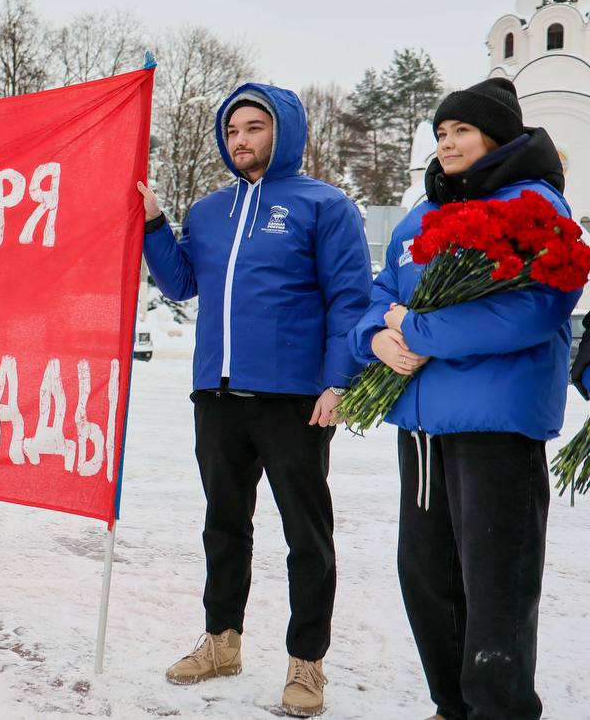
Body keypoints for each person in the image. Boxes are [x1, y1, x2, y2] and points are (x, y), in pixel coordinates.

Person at [138, 83, 371, 717]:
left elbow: (349, 300)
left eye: (254, 128)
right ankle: (221, 642)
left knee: (307, 532)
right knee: (223, 525)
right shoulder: (211, 211)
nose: (240, 140)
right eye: (233, 130)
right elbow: (182, 282)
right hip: (217, 395)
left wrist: (339, 380)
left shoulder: (325, 205)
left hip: (294, 399)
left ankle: (306, 662)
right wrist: (156, 221)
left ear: (284, 132)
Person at [349, 78, 577, 720]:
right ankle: (452, 707)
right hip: (420, 428)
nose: (447, 143)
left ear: (496, 137)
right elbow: (378, 293)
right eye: (441, 133)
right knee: (427, 581)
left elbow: (534, 310)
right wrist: (376, 341)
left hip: (494, 428)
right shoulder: (424, 214)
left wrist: (416, 331)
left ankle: (499, 711)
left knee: (495, 585)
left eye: (462, 132)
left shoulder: (537, 205)